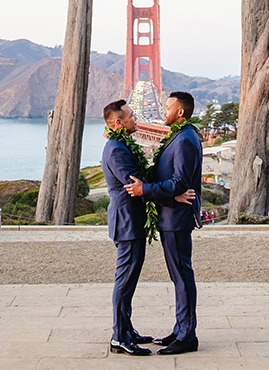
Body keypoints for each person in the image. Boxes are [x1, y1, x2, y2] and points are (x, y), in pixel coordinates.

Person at [101, 99, 194, 356]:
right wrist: (172, 195)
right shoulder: (117, 150)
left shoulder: (121, 145)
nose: (136, 120)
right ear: (119, 123)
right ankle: (119, 336)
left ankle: (126, 330)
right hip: (128, 223)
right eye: (131, 116)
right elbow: (136, 185)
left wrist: (163, 191)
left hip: (133, 223)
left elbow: (143, 182)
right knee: (125, 280)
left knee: (128, 279)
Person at [126, 90, 203, 355]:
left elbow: (180, 182)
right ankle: (181, 329)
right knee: (179, 276)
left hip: (177, 219)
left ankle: (187, 336)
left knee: (182, 276)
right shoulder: (181, 135)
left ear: (180, 112)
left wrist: (145, 190)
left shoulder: (183, 140)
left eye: (168, 107)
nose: (164, 111)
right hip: (171, 216)